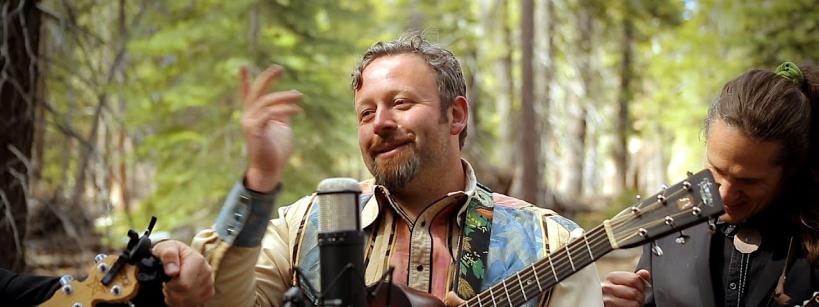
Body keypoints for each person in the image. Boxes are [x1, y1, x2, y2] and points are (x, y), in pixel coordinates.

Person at [153, 34, 603, 307]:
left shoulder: (552, 244)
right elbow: (222, 302)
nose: (381, 123)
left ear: (456, 115)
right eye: (366, 113)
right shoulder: (304, 226)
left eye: (401, 103)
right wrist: (261, 175)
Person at [601, 62, 819, 307]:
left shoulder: (810, 244)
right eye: (716, 169)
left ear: (790, 170)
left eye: (748, 181)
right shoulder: (667, 222)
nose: (725, 194)